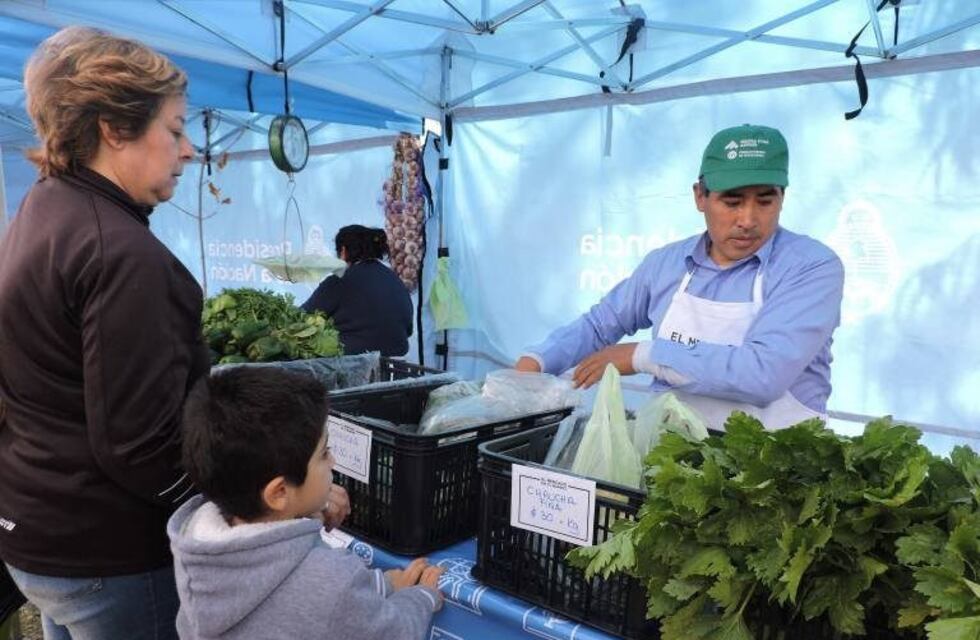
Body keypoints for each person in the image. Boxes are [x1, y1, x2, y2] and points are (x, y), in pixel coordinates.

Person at [0, 27, 208, 639]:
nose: (188, 150)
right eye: (173, 129)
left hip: (39, 534)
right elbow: (142, 443)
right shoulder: (119, 252)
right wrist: (224, 500)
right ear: (115, 129)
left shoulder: (41, 209)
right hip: (111, 551)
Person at [516, 124, 844, 431]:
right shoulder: (667, 264)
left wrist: (644, 356)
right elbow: (601, 324)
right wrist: (534, 363)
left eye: (765, 201)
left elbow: (762, 375)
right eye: (732, 202)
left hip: (778, 465)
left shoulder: (811, 267)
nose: (748, 219)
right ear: (700, 196)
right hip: (672, 452)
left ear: (783, 197)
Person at [169, 367, 443, 639]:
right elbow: (393, 632)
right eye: (324, 453)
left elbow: (304, 601)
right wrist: (420, 597)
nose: (333, 461)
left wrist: (381, 584)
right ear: (278, 493)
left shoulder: (196, 543)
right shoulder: (330, 580)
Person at [302, 224, 414, 357]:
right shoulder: (394, 279)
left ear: (343, 251)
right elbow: (408, 327)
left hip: (350, 363)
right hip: (392, 361)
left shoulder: (340, 280)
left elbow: (302, 317)